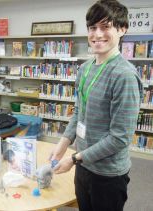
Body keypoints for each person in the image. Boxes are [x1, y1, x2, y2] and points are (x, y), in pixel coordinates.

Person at [48, 1, 143, 211]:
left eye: (105, 26)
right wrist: (61, 147)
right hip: (83, 165)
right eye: (92, 28)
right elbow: (79, 113)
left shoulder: (124, 76)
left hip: (108, 174)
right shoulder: (85, 69)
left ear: (122, 29)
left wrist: (73, 159)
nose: (97, 34)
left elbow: (120, 138)